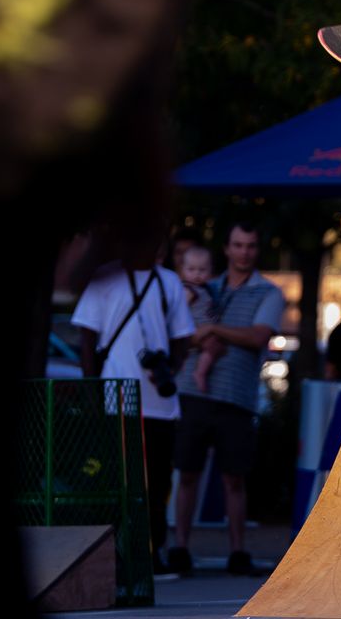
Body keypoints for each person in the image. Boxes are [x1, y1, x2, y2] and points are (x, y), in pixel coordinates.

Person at [71, 237, 195, 572]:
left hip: (158, 401)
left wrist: (170, 367)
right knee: (116, 479)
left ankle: (151, 551)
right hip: (117, 398)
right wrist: (92, 391)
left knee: (157, 481)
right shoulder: (106, 278)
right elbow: (87, 338)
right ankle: (114, 551)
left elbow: (184, 336)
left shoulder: (168, 280)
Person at [168, 224, 285, 577]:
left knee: (234, 478)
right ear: (227, 248)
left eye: (250, 246)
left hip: (236, 397)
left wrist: (213, 330)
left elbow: (258, 336)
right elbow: (177, 335)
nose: (244, 252)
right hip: (192, 392)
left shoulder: (268, 292)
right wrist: (198, 336)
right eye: (238, 245)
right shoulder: (203, 284)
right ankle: (181, 547)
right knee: (186, 473)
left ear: (257, 249)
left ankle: (237, 550)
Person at [175, 244, 222, 392]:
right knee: (213, 345)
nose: (197, 274)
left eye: (202, 270)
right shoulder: (188, 289)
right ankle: (200, 372)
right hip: (196, 328)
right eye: (191, 269)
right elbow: (179, 310)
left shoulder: (206, 288)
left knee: (215, 347)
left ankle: (200, 371)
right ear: (183, 270)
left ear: (210, 271)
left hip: (206, 327)